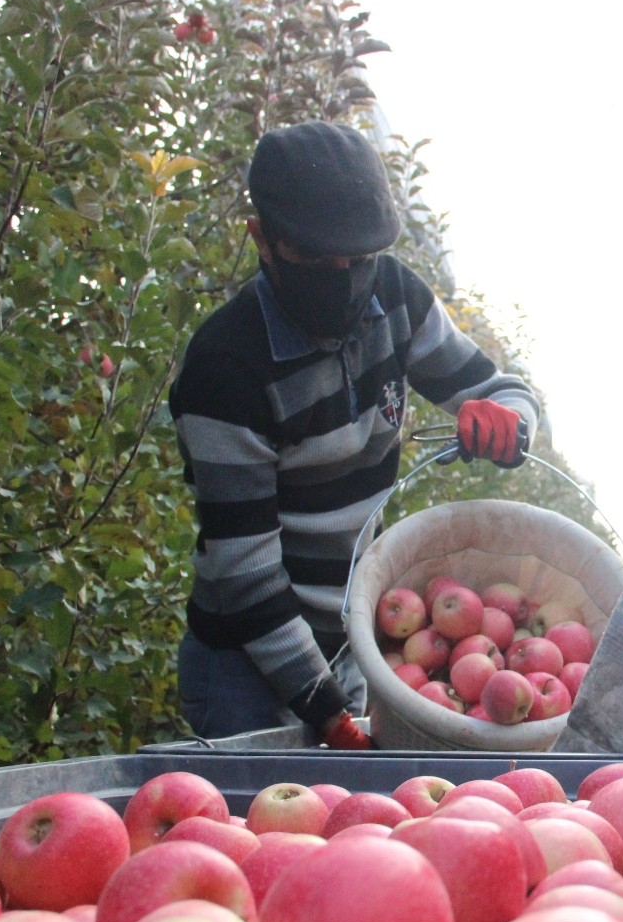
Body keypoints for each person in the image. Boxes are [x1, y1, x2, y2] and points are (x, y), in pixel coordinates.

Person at [168, 121, 541, 748]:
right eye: (315, 259)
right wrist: (328, 712)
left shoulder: (394, 298)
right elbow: (247, 576)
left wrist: (508, 424)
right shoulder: (226, 370)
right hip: (247, 666)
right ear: (263, 239)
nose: (343, 276)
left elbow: (503, 389)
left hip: (353, 637)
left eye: (360, 258)